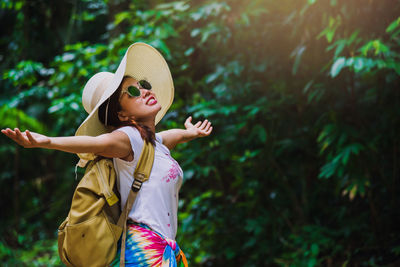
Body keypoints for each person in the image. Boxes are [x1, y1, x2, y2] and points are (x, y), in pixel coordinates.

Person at [1, 42, 212, 266]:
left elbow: (171, 136)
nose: (145, 91)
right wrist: (47, 141)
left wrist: (190, 133)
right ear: (121, 114)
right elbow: (95, 143)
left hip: (161, 249)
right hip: (143, 252)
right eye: (132, 91)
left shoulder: (153, 144)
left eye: (143, 85)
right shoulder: (129, 138)